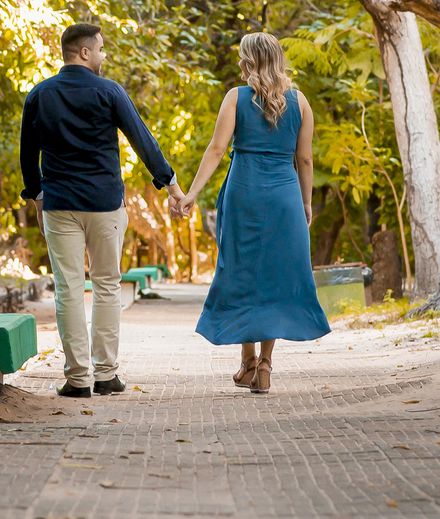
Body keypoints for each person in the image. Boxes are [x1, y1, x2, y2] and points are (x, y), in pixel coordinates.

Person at [20, 22, 185, 398]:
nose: (103, 55)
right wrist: (171, 185)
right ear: (84, 52)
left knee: (68, 289)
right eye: (101, 49)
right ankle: (106, 375)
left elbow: (27, 154)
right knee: (108, 285)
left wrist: (38, 198)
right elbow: (142, 140)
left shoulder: (39, 94)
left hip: (60, 205)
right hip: (105, 204)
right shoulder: (109, 91)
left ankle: (77, 379)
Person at [175, 32, 330, 393]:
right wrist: (306, 202)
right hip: (285, 196)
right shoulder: (300, 101)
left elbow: (217, 149)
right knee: (277, 276)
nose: (238, 63)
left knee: (241, 271)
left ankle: (247, 362)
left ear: (249, 60)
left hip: (243, 192)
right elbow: (305, 159)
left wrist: (192, 193)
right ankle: (265, 365)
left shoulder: (236, 97)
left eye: (241, 57)